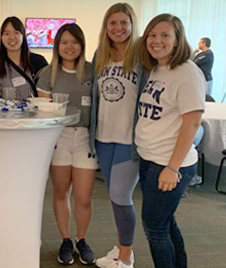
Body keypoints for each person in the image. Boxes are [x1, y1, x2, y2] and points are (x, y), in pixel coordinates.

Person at [131, 13, 203, 268]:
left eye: (165, 35)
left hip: (169, 164)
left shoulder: (187, 72)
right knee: (165, 223)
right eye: (152, 34)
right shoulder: (158, 69)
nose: (156, 40)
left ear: (177, 39)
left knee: (155, 229)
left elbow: (192, 123)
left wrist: (172, 168)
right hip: (151, 159)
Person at [91, 3, 147, 268]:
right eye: (113, 23)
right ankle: (120, 247)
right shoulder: (100, 55)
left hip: (130, 139)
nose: (118, 28)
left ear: (132, 24)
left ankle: (126, 257)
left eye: (124, 22)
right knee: (115, 199)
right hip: (104, 137)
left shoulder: (142, 56)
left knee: (120, 195)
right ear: (106, 26)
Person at [39, 23, 98, 265]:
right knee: (61, 192)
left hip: (85, 137)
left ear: (81, 45)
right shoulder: (48, 73)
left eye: (74, 42)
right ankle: (65, 240)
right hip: (59, 139)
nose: (69, 47)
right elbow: (43, 113)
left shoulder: (92, 71)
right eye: (64, 42)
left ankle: (81, 239)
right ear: (57, 46)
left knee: (83, 197)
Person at [0, 17, 49, 100]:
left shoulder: (38, 61)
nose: (11, 37)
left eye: (16, 32)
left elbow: (47, 90)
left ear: (23, 36)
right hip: (6, 112)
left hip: (34, 112)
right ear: (1, 37)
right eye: (6, 33)